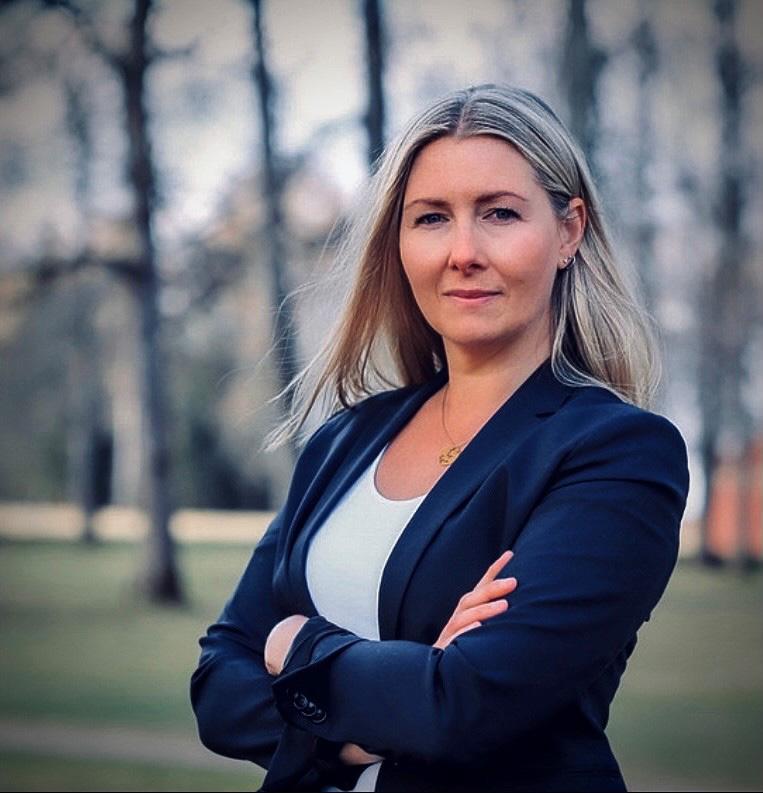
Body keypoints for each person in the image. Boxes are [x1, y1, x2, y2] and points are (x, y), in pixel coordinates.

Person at [190, 84, 690, 792]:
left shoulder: (617, 453)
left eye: (499, 213)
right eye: (431, 218)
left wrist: (295, 643)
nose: (462, 252)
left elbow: (466, 705)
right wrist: (366, 725)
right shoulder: (345, 441)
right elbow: (219, 687)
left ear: (568, 230)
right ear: (398, 243)